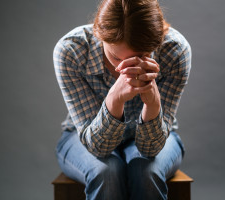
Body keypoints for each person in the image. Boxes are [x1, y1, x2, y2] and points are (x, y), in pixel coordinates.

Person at [53, 0, 191, 199]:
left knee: (146, 171)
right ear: (99, 35)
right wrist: (114, 99)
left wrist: (152, 103)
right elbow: (97, 147)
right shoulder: (71, 51)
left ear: (157, 42)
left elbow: (151, 148)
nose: (125, 69)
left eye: (141, 56)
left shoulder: (175, 51)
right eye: (117, 58)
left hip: (161, 133)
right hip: (81, 133)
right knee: (106, 172)